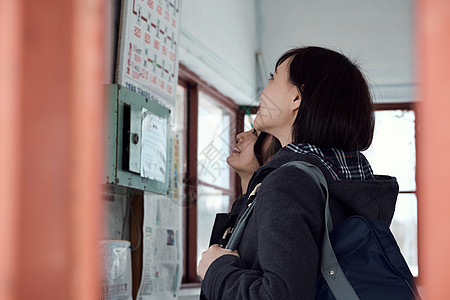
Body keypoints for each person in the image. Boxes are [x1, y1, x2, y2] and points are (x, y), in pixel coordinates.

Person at [197, 46, 399, 299]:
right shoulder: (347, 181)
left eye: (273, 78)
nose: (264, 91)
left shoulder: (289, 182)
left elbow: (280, 295)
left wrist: (217, 270)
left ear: (297, 98)